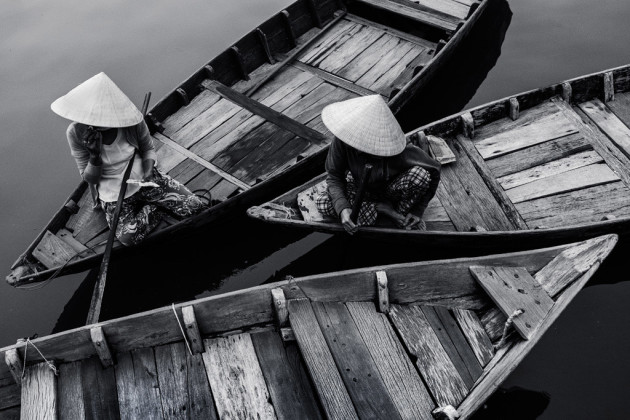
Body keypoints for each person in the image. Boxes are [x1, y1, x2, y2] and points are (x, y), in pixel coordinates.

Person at [51, 72, 205, 246]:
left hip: (146, 180)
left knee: (194, 206)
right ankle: (155, 209)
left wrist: (147, 171)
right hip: (113, 195)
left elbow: (148, 149)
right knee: (128, 239)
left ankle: (155, 201)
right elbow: (89, 178)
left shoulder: (131, 120)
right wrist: (94, 156)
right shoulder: (76, 133)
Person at [316, 95, 441, 235]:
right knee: (322, 203)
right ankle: (384, 210)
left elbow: (435, 170)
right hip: (360, 190)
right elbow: (334, 176)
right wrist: (343, 209)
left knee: (420, 176)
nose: (357, 148)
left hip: (391, 191)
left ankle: (393, 210)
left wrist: (418, 209)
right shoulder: (342, 140)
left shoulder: (399, 149)